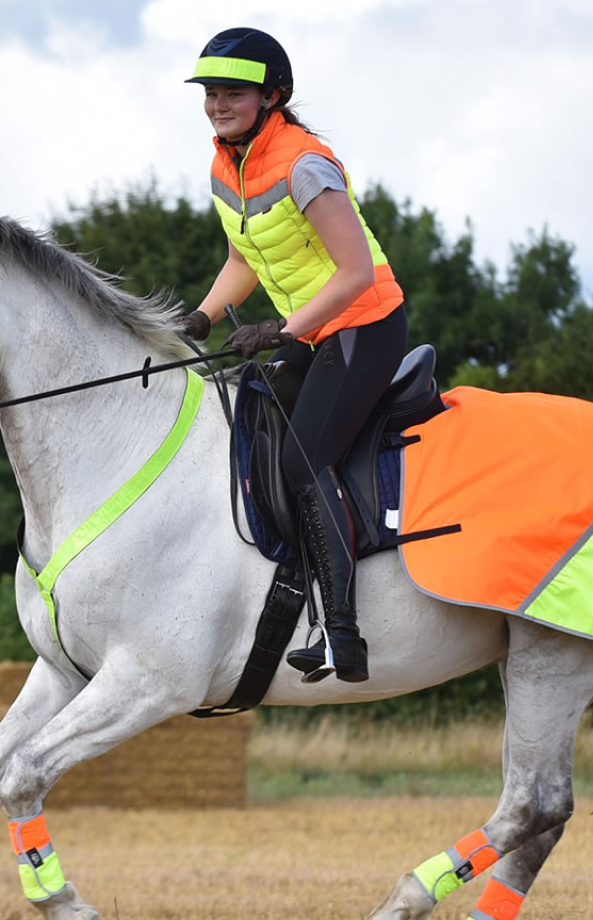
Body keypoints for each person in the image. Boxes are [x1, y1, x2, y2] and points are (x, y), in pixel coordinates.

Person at [183, 27, 408, 684]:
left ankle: (342, 634)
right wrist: (197, 317)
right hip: (313, 332)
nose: (217, 104)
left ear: (271, 95)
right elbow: (241, 260)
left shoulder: (304, 163)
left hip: (364, 326)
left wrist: (281, 329)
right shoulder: (229, 165)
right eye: (210, 93)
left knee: (306, 459)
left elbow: (356, 273)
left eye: (232, 93)